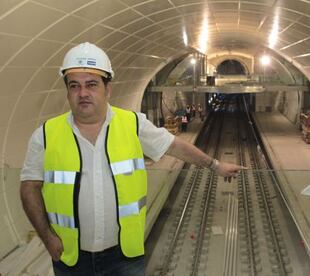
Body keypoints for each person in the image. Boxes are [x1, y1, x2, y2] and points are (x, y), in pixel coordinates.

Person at [20, 42, 244, 276]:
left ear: (108, 89)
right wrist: (47, 237)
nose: (83, 93)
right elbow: (29, 186)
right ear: (67, 90)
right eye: (74, 85)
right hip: (70, 257)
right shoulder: (46, 135)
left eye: (92, 84)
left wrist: (215, 165)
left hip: (124, 257)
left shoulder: (133, 124)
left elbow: (175, 146)